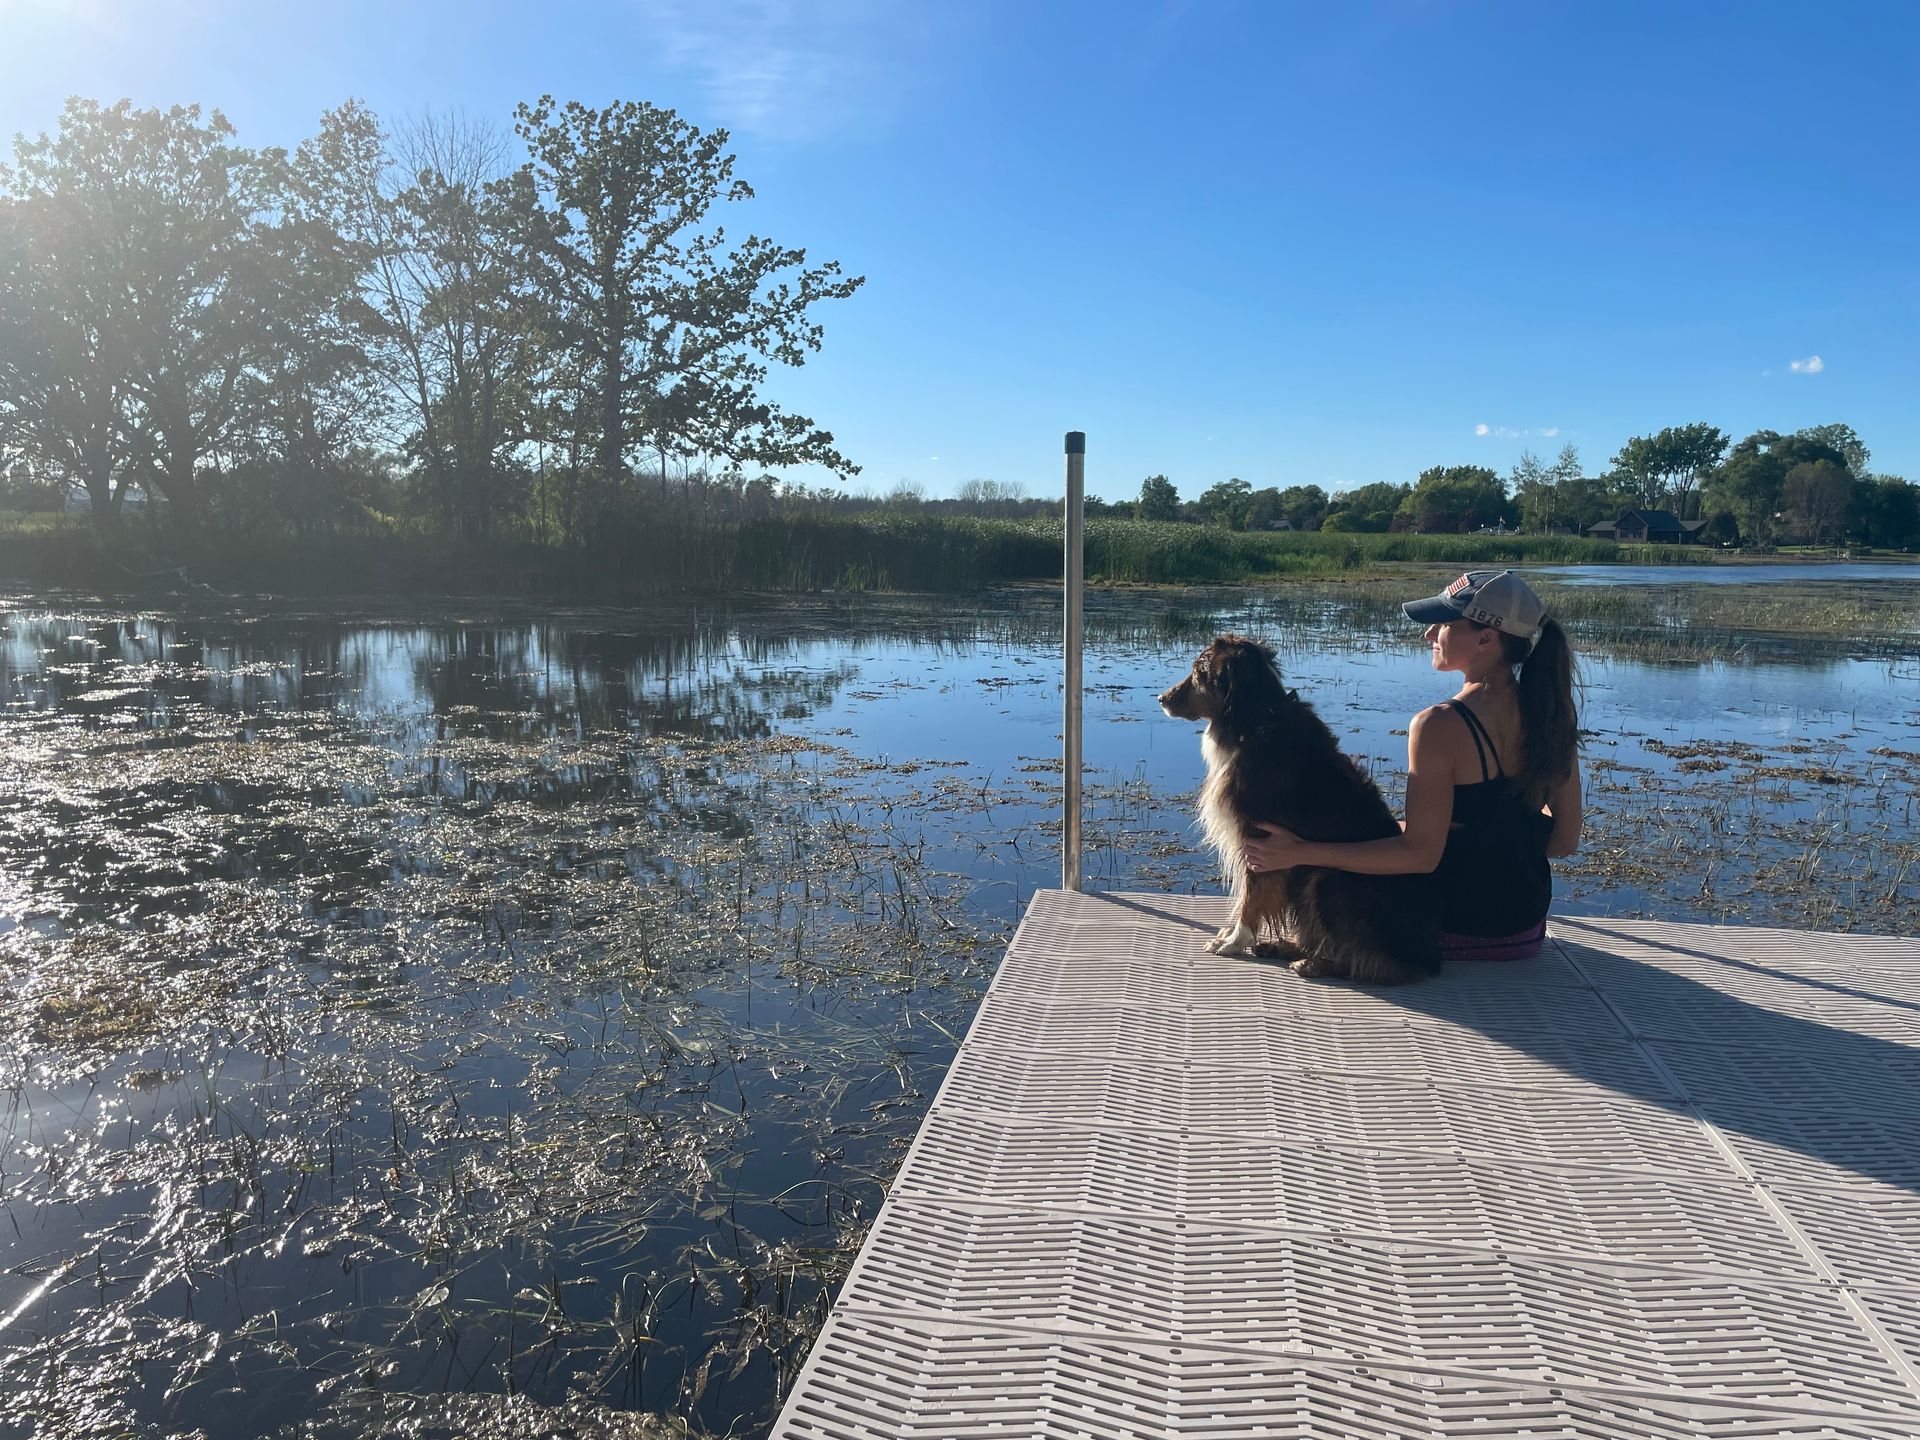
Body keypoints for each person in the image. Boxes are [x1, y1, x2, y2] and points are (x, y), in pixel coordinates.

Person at [1241, 569, 1581, 961]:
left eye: (1443, 624)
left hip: (1446, 929)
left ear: (1487, 638)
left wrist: (1300, 851)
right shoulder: (1551, 715)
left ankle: (1321, 943)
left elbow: (1420, 856)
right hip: (1525, 930)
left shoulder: (1439, 725)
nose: (1430, 634)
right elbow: (1563, 841)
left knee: (1334, 853)